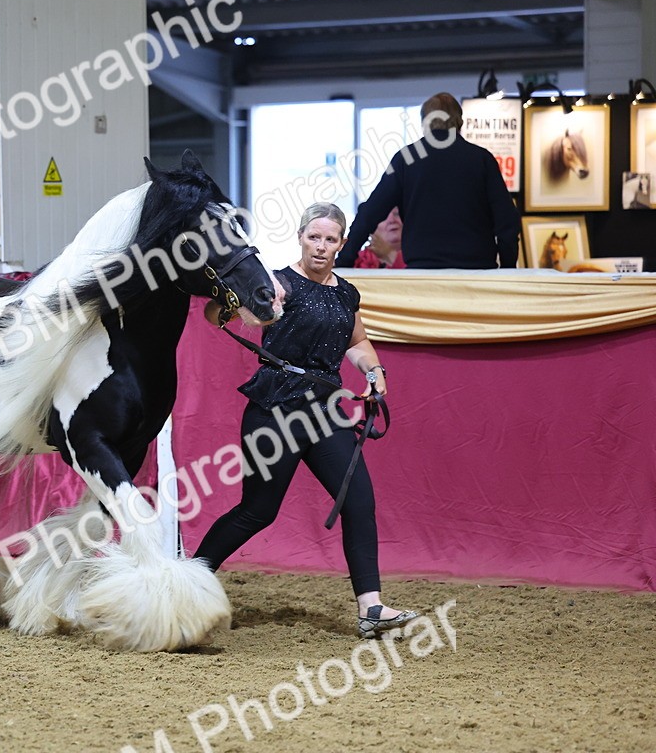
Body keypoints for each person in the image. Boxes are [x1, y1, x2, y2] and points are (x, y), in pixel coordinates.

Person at [196, 202, 417, 639]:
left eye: (330, 239)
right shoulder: (277, 283)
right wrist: (244, 305)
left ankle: (370, 608)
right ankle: (190, 578)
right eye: (314, 237)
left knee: (359, 501)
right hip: (274, 410)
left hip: (322, 415)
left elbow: (358, 343)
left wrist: (374, 373)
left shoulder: (345, 293)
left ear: (342, 243)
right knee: (257, 512)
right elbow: (213, 315)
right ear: (300, 237)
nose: (321, 246)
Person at [336, 92, 520, 269]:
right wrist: (508, 266)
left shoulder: (406, 159)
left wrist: (345, 258)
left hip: (423, 269)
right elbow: (507, 221)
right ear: (460, 122)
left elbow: (371, 212)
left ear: (425, 123)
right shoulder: (482, 159)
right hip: (477, 267)